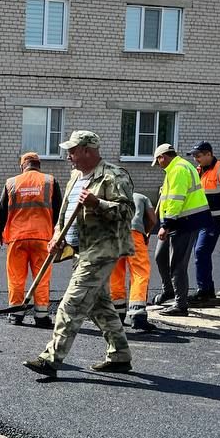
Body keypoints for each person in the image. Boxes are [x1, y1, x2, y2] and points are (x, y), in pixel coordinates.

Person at [23, 130, 135, 378]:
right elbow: (65, 212)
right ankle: (120, 355)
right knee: (99, 306)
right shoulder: (76, 176)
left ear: (87, 150)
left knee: (71, 305)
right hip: (80, 249)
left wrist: (99, 204)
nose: (68, 155)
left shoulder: (113, 176)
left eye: (73, 150)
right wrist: (56, 237)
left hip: (101, 251)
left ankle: (50, 359)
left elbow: (127, 212)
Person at [0, 151, 62, 328]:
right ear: (39, 165)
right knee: (41, 277)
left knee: (16, 277)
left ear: (23, 165)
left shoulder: (12, 183)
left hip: (17, 238)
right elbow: (59, 212)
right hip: (43, 239)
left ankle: (16, 314)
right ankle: (42, 316)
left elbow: (1, 212)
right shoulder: (50, 181)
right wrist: (58, 236)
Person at [150, 143, 209, 316]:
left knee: (177, 263)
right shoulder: (175, 168)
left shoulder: (178, 169)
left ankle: (180, 304)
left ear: (163, 157)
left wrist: (166, 225)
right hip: (178, 221)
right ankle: (169, 290)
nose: (158, 165)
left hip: (185, 222)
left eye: (158, 161)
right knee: (160, 256)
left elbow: (176, 200)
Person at [188, 141, 220, 305]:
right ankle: (206, 290)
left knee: (201, 252)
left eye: (198, 156)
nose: (196, 159)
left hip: (214, 220)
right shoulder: (198, 171)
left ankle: (205, 291)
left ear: (208, 154)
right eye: (195, 156)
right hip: (201, 219)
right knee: (200, 253)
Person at [110, 190, 157, 330]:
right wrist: (146, 233)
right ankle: (138, 315)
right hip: (134, 234)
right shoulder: (141, 197)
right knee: (139, 272)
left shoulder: (111, 196)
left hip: (113, 235)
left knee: (116, 274)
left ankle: (117, 313)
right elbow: (153, 219)